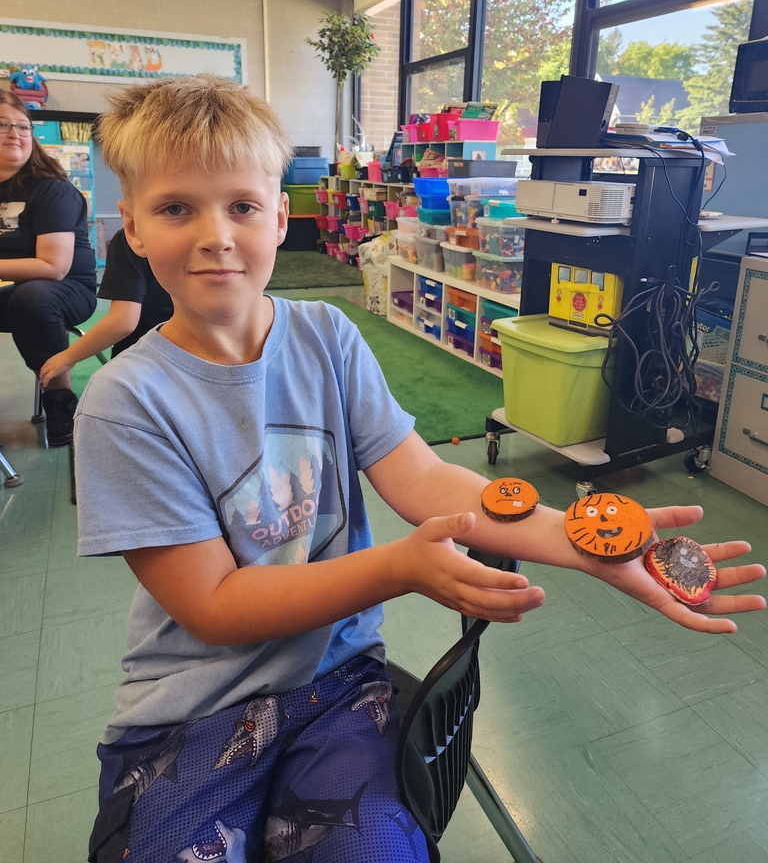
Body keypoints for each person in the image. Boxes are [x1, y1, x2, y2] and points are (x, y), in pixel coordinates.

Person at [75, 75, 766, 863]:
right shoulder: (124, 404)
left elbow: (422, 479)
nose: (215, 235)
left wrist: (583, 542)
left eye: (241, 206)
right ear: (129, 226)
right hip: (193, 706)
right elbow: (214, 605)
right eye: (176, 209)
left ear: (279, 214)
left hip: (337, 681)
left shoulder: (327, 337)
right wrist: (400, 569)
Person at [0, 90, 97, 445]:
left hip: (71, 291)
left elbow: (53, 267)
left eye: (23, 127)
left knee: (32, 299)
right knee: (24, 297)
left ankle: (61, 403)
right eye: (3, 124)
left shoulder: (50, 190)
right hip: (21, 292)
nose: (15, 133)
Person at [39, 227, 173, 387]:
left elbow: (123, 321)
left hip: (143, 360)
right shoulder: (205, 236)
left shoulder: (131, 237)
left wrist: (68, 357)